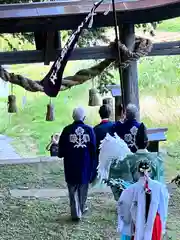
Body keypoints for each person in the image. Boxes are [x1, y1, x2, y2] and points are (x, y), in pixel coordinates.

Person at [58, 107, 96, 221]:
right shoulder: (89, 130)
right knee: (83, 188)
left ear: (72, 117)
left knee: (72, 188)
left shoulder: (66, 130)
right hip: (85, 165)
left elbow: (60, 152)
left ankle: (75, 211)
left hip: (71, 165)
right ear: (84, 117)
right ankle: (82, 207)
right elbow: (93, 150)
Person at [117, 159, 169, 240]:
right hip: (154, 223)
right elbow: (163, 208)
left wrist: (123, 224)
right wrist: (163, 224)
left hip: (136, 222)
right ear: (150, 171)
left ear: (137, 172)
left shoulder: (130, 189)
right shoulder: (160, 187)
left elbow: (122, 207)